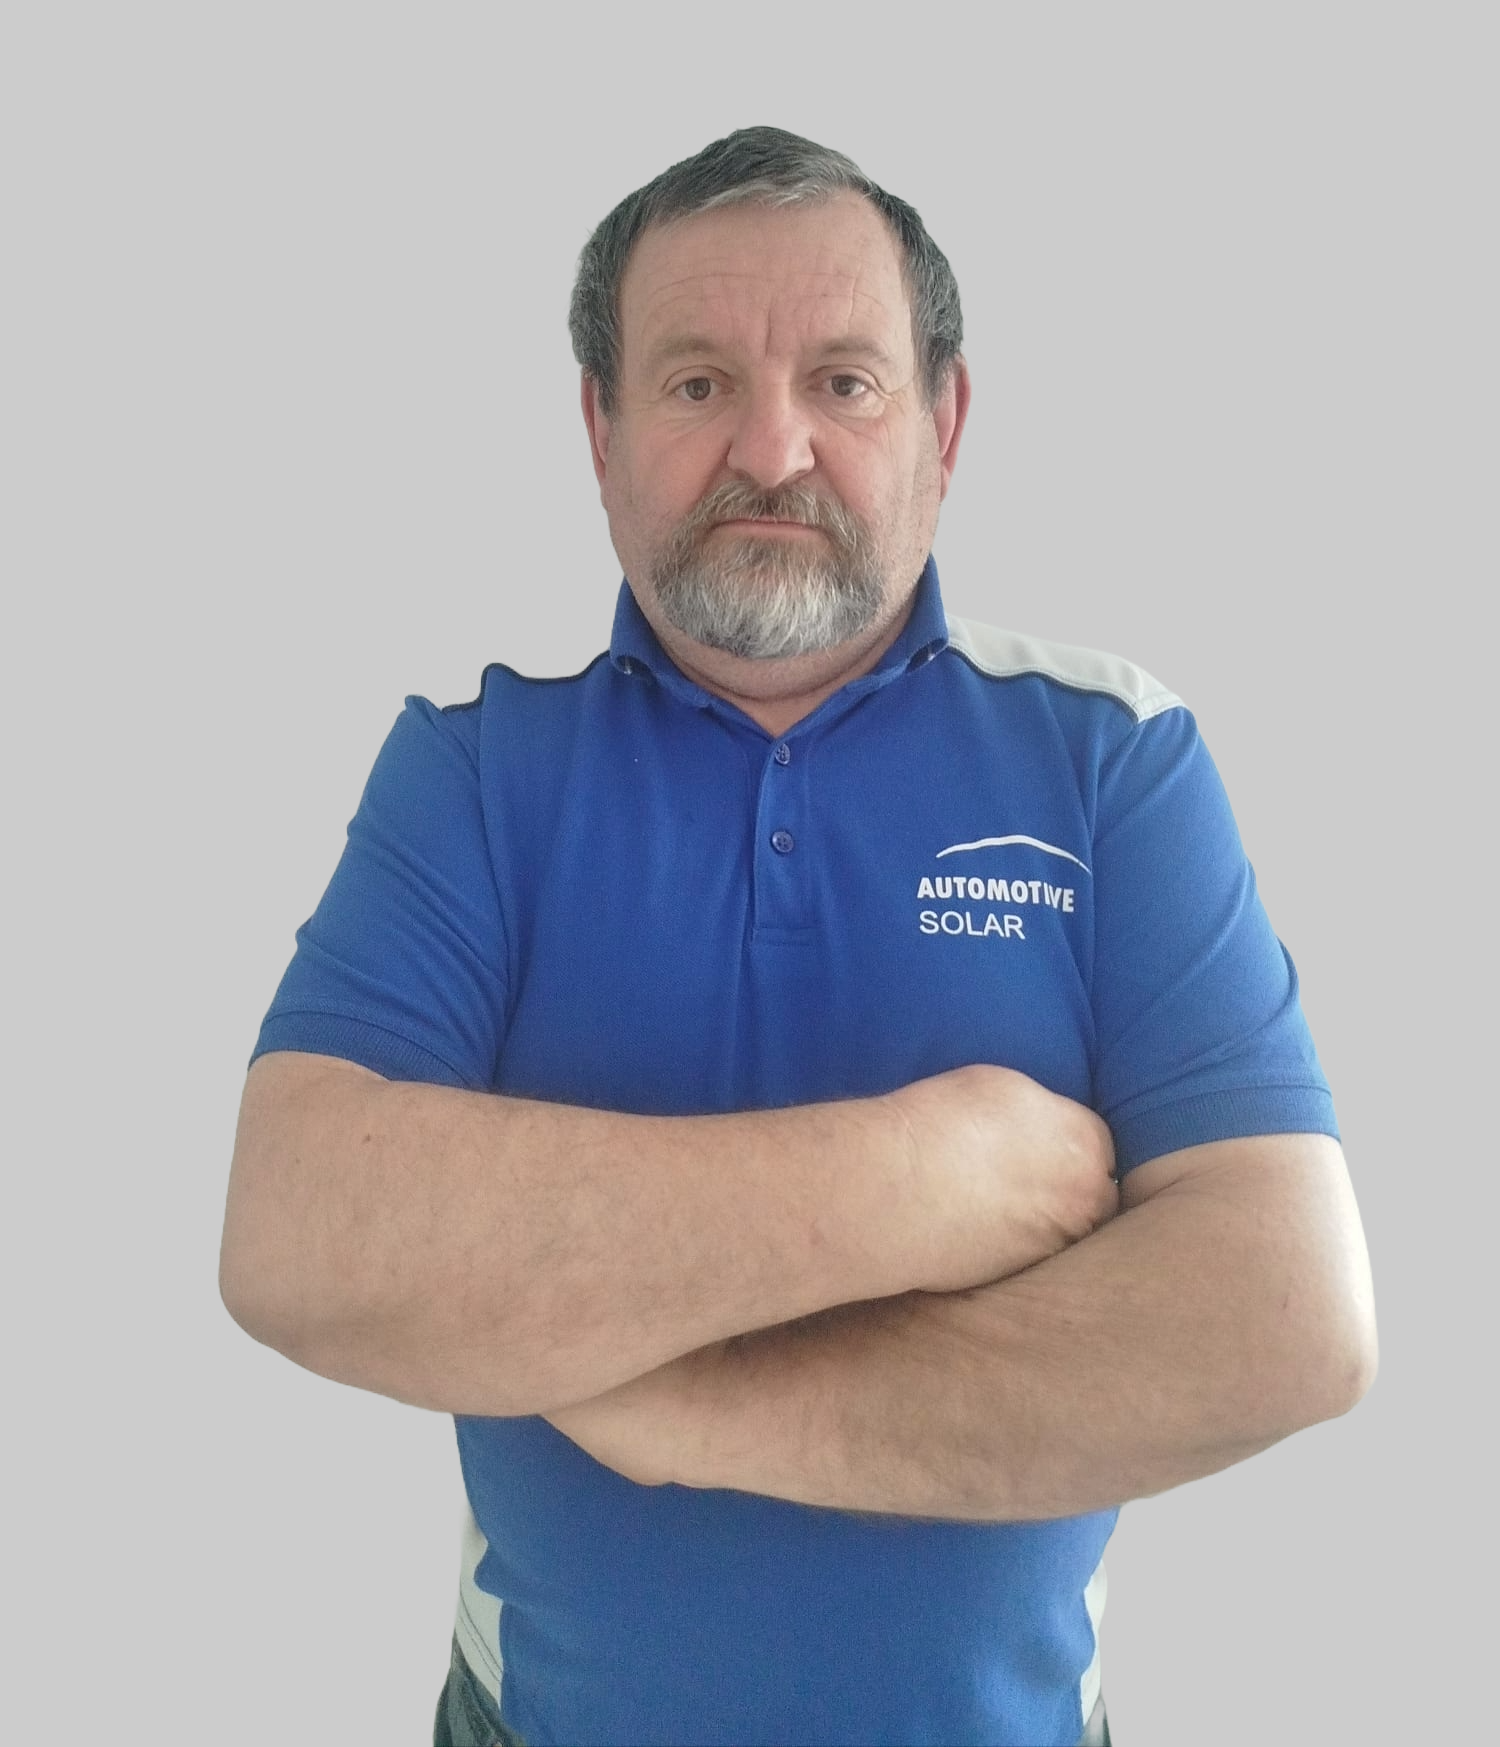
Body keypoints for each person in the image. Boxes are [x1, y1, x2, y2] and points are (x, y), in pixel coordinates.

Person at [219, 126, 1377, 1747]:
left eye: (843, 381)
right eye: (698, 382)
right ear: (602, 429)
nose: (773, 447)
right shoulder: (477, 771)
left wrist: (688, 1410)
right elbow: (300, 1237)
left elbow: (1281, 1321)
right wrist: (921, 1174)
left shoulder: (1110, 758)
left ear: (944, 424)